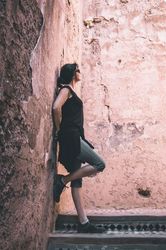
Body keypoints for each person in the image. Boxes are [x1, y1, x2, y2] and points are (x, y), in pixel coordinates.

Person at [53, 63, 106, 233]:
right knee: (99, 164)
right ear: (71, 73)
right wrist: (59, 130)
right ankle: (62, 181)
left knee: (77, 181)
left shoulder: (71, 91)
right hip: (70, 136)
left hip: (74, 136)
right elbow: (55, 108)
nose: (79, 72)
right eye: (77, 70)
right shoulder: (67, 89)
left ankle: (83, 223)